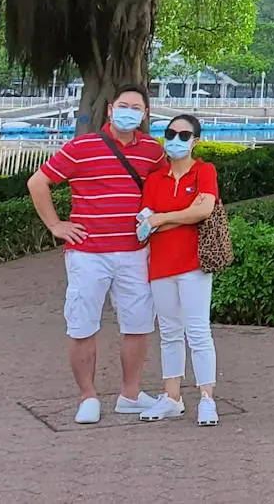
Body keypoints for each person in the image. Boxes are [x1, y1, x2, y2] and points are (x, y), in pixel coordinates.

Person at [28, 84, 167, 424]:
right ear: (109, 110)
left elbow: (168, 184)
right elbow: (38, 182)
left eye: (136, 107)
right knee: (82, 325)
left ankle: (130, 394)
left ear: (145, 114)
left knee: (138, 324)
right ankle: (87, 395)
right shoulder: (81, 147)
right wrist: (56, 225)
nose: (129, 112)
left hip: (134, 252)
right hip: (88, 254)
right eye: (123, 105)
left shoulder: (152, 151)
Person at [138, 113, 221, 425]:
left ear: (195, 141)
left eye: (184, 135)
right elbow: (144, 221)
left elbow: (204, 210)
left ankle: (207, 398)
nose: (176, 140)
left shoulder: (204, 171)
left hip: (193, 264)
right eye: (171, 133)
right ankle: (172, 397)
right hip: (160, 265)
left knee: (198, 330)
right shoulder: (155, 179)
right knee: (170, 332)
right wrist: (175, 216)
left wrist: (161, 218)